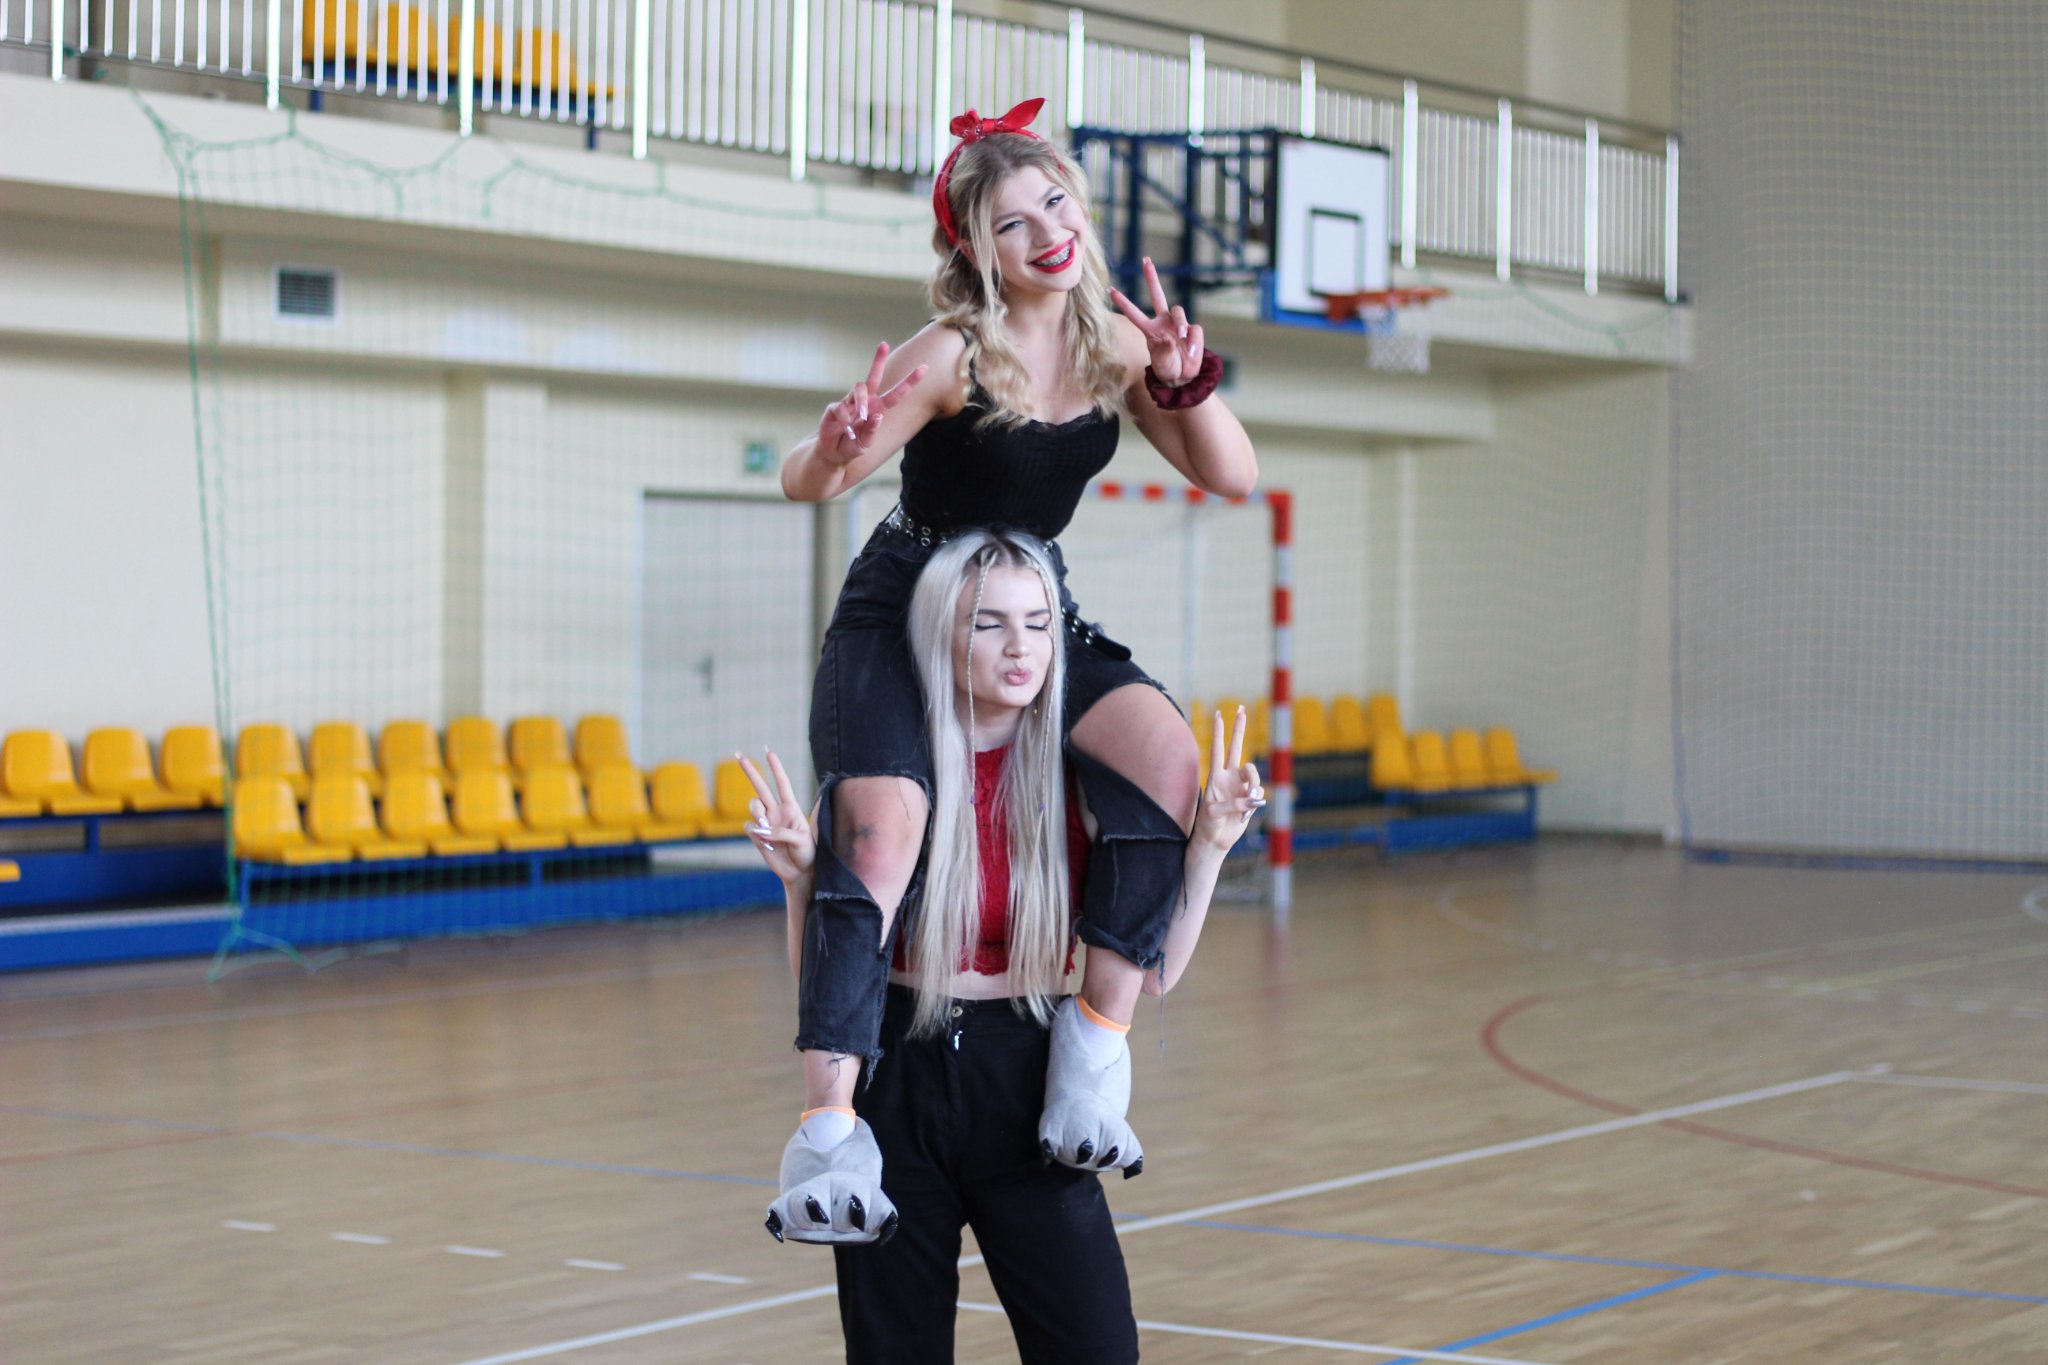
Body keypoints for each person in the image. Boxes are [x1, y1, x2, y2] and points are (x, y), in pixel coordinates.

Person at [776, 97, 1259, 1191]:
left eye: (1054, 201)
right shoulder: (952, 352)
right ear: (975, 252)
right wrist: (833, 445)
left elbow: (1230, 474)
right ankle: (828, 1137)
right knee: (880, 840)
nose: (1047, 230)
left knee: (1168, 761)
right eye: (1011, 222)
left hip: (1028, 605)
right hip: (906, 606)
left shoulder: (1116, 345)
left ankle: (1092, 1048)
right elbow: (809, 481)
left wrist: (1184, 385)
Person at [740, 529, 1263, 1363]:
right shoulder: (886, 780)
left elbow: (1154, 971)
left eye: (1038, 623)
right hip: (898, 1076)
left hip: (1031, 1077)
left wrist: (1209, 844)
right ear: (940, 635)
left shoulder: (1086, 779)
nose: (1021, 646)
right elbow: (830, 981)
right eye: (989, 623)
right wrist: (801, 880)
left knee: (1095, 1347)